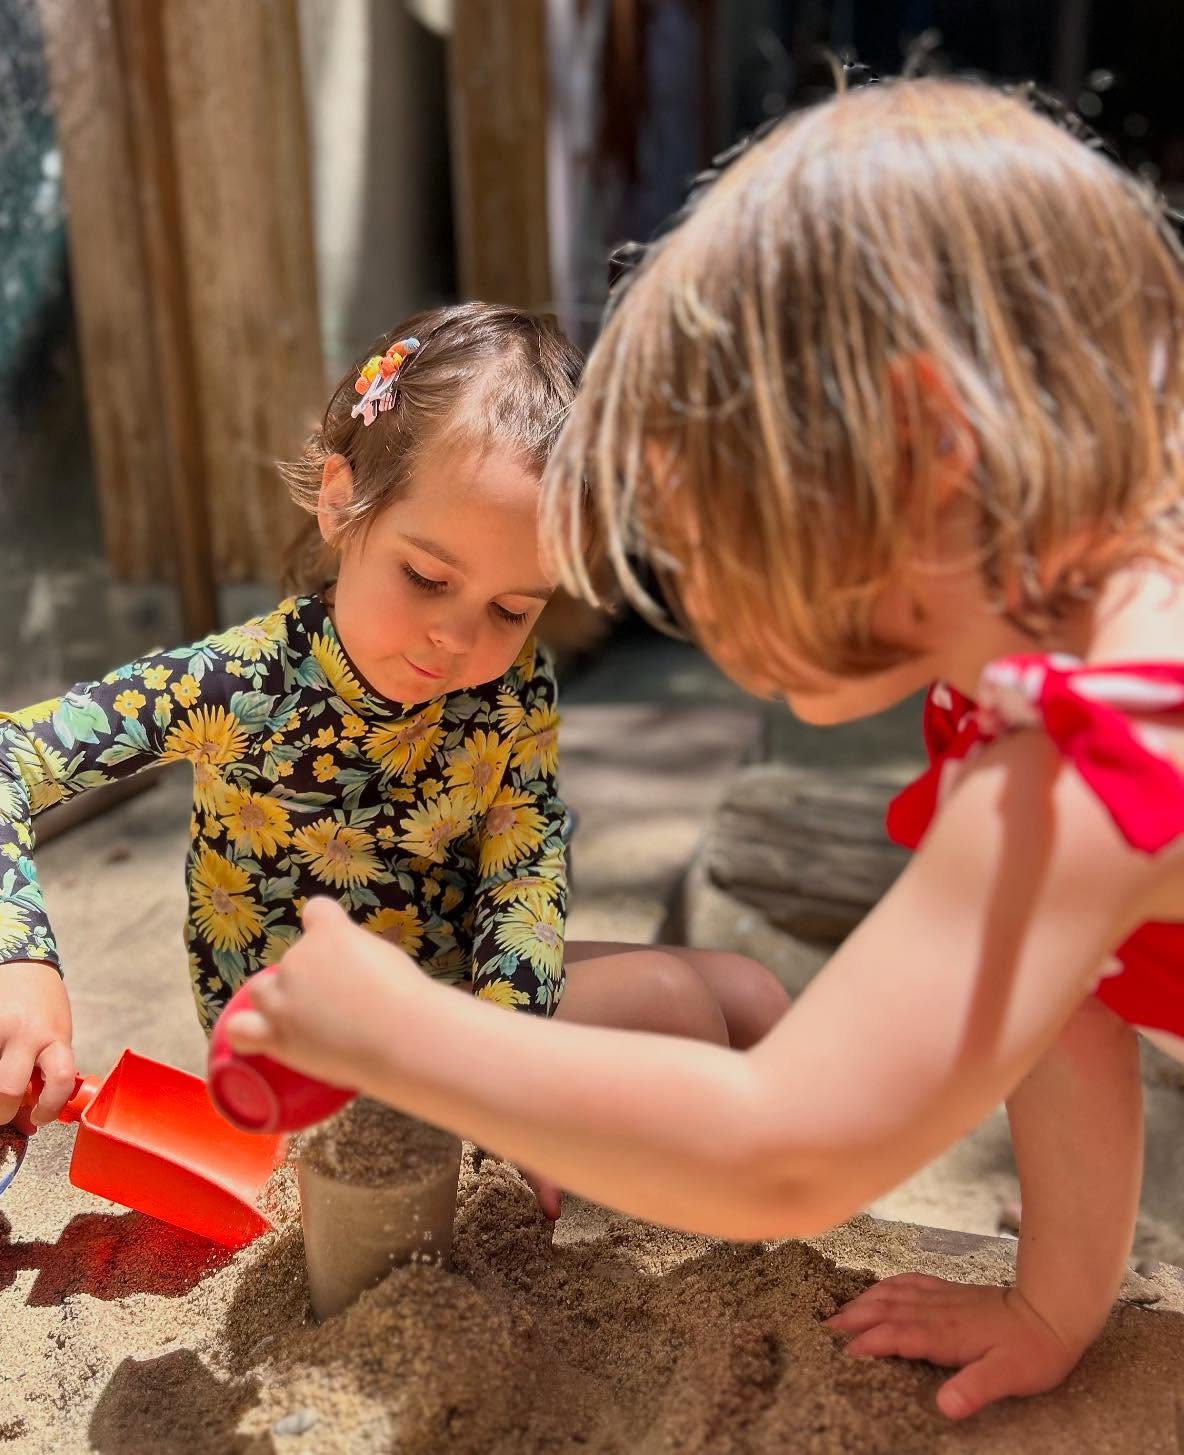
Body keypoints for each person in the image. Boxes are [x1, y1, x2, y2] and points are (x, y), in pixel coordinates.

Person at [220, 80, 1184, 1417]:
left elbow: (785, 1146)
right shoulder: (1066, 669)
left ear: (920, 443)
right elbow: (1068, 1006)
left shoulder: (1097, 753)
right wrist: (1052, 1302)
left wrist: (405, 1031)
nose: (706, 614)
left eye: (715, 535)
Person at [0, 301, 786, 1203]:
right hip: (304, 1062)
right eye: (427, 577)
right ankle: (689, 1236)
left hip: (449, 1006)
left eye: (511, 607)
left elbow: (524, 867)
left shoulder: (511, 686)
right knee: (671, 1002)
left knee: (752, 997)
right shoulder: (240, 684)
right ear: (341, 502)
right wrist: (11, 967)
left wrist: (510, 1048)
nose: (458, 637)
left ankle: (778, 1240)